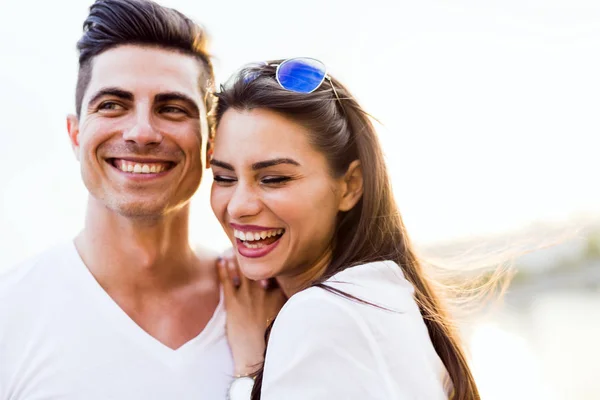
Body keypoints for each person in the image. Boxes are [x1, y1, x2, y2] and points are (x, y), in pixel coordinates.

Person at [0, 1, 276, 398]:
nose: (142, 132)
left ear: (211, 141)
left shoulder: (273, 304)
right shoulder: (11, 316)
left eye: (173, 108)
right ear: (76, 135)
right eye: (113, 105)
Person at [210, 58, 481, 399]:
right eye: (223, 178)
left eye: (274, 179)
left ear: (350, 185)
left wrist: (247, 369)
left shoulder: (319, 314)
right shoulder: (386, 294)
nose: (238, 206)